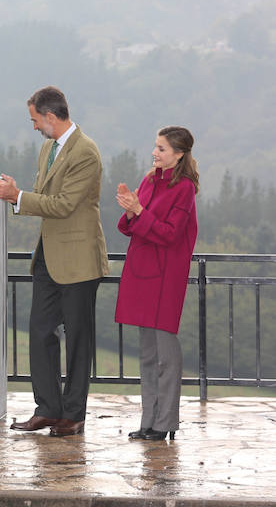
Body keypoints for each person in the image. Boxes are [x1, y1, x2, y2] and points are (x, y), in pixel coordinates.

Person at [0, 86, 108, 437]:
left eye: (35, 120)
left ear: (50, 117)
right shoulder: (48, 148)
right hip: (48, 258)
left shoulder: (86, 152)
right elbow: (43, 197)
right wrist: (16, 193)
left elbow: (64, 205)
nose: (34, 126)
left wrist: (18, 196)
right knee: (40, 332)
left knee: (78, 339)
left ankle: (73, 414)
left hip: (79, 261)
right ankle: (48, 409)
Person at [115, 126, 199, 441]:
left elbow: (170, 234)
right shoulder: (150, 179)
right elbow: (127, 227)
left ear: (179, 154)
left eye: (161, 148)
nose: (155, 153)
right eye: (155, 147)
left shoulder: (185, 188)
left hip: (166, 277)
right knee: (148, 354)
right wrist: (130, 207)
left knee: (166, 352)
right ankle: (148, 421)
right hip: (140, 272)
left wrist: (138, 212)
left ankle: (165, 423)